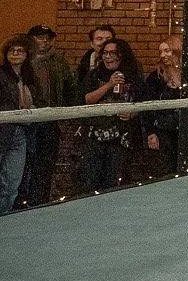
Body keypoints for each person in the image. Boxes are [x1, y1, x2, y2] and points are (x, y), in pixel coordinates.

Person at [18, 24, 76, 207]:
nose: (43, 41)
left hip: (51, 122)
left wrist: (66, 116)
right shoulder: (22, 60)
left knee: (46, 167)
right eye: (39, 37)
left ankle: (39, 204)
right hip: (27, 122)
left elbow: (70, 91)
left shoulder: (59, 62)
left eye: (46, 37)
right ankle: (19, 204)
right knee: (23, 165)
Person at [80, 36, 141, 193]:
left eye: (112, 53)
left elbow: (143, 102)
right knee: (91, 180)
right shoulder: (94, 75)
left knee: (115, 181)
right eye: (105, 53)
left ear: (122, 55)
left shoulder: (134, 76)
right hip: (95, 136)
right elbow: (87, 99)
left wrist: (132, 113)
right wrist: (109, 84)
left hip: (121, 137)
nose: (108, 57)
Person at [0, 34, 39, 215]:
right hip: (3, 131)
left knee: (12, 184)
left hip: (21, 133)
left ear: (27, 55)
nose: (15, 53)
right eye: (11, 50)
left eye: (20, 50)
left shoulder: (30, 78)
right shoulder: (1, 75)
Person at [142, 35, 184, 178]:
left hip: (183, 129)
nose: (163, 55)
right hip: (163, 131)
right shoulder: (156, 77)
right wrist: (150, 132)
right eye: (160, 52)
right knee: (164, 171)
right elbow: (148, 105)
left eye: (167, 51)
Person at [75, 24, 117, 99]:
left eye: (108, 39)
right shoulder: (83, 66)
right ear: (92, 43)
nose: (104, 42)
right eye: (99, 38)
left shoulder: (125, 64)